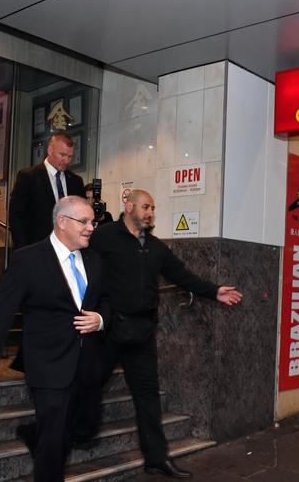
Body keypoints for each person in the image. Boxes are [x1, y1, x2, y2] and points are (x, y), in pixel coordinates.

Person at [90, 189, 242, 479]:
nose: (150, 213)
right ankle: (72, 432)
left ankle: (156, 458)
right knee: (88, 385)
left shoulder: (155, 247)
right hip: (109, 330)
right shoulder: (104, 237)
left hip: (142, 333)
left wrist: (214, 291)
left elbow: (181, 275)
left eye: (153, 208)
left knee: (147, 397)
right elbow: (84, 270)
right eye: (145, 207)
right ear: (129, 205)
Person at [0, 196, 107, 482]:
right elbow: (0, 312)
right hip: (48, 365)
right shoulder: (28, 259)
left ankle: (34, 437)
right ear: (62, 222)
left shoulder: (94, 259)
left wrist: (100, 320)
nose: (92, 228)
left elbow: (107, 302)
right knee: (54, 443)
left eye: (93, 222)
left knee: (67, 434)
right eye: (85, 222)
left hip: (86, 366)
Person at [9, 133, 85, 249]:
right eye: (62, 155)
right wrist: (23, 250)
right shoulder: (28, 176)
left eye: (70, 157)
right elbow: (17, 216)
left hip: (68, 249)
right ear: (50, 150)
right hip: (36, 248)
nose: (66, 161)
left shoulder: (76, 181)